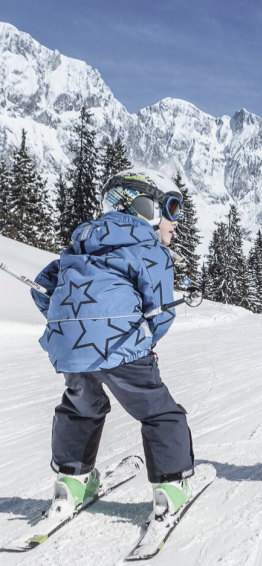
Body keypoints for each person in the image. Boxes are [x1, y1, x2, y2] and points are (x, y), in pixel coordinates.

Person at [31, 169, 195, 520]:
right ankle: (170, 485)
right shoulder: (149, 248)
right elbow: (161, 311)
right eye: (171, 207)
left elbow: (42, 285)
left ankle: (72, 481)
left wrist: (70, 325)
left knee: (81, 407)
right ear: (144, 207)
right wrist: (147, 341)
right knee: (158, 410)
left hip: (69, 347)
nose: (175, 221)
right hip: (120, 341)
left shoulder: (81, 241)